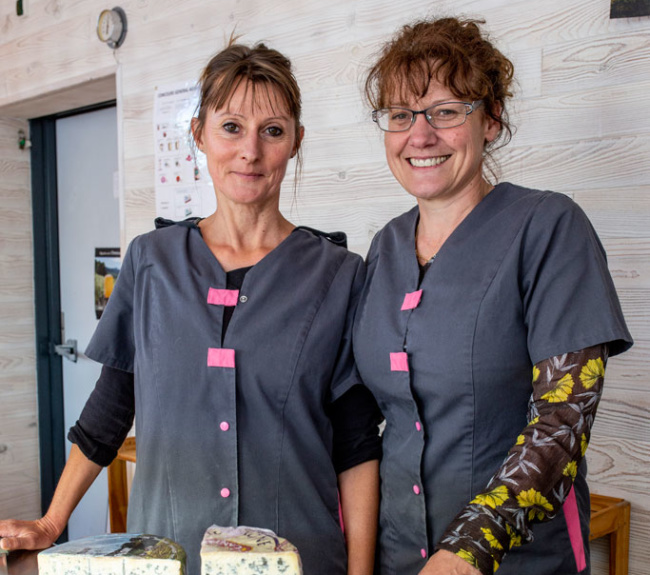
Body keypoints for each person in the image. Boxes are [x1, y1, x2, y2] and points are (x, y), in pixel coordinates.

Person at [0, 41, 382, 575]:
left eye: (272, 130)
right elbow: (109, 412)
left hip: (298, 556)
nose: (250, 150)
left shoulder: (339, 273)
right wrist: (51, 522)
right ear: (199, 133)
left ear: (296, 142)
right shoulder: (151, 263)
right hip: (168, 555)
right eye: (231, 127)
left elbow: (357, 440)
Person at [352, 17, 633, 575]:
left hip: (518, 560)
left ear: (492, 121)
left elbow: (563, 420)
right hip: (398, 554)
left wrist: (466, 552)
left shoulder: (549, 227)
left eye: (447, 112)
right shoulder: (382, 249)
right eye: (401, 115)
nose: (420, 135)